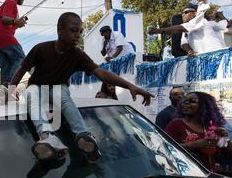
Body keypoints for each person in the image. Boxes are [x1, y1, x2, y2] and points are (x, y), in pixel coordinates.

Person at [9, 12, 153, 163]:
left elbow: (102, 73)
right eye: (73, 30)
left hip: (59, 88)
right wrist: (9, 93)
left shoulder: (78, 55)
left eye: (80, 31)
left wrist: (130, 86)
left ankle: (84, 136)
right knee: (32, 93)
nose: (78, 35)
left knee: (64, 100)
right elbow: (21, 70)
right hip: (38, 86)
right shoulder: (41, 49)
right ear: (60, 30)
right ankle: (48, 137)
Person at [165, 92, 232, 172]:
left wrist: (225, 139)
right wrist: (195, 144)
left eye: (192, 101)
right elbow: (165, 149)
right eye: (184, 101)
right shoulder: (176, 124)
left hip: (209, 176)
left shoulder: (211, 126)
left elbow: (228, 152)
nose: (186, 103)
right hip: (186, 176)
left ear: (204, 105)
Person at [149, 3, 229, 56]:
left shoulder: (200, 21)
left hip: (218, 55)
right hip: (205, 58)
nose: (183, 15)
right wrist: (189, 51)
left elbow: (179, 28)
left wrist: (159, 30)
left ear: (195, 13)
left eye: (186, 12)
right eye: (182, 13)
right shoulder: (187, 30)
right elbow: (183, 44)